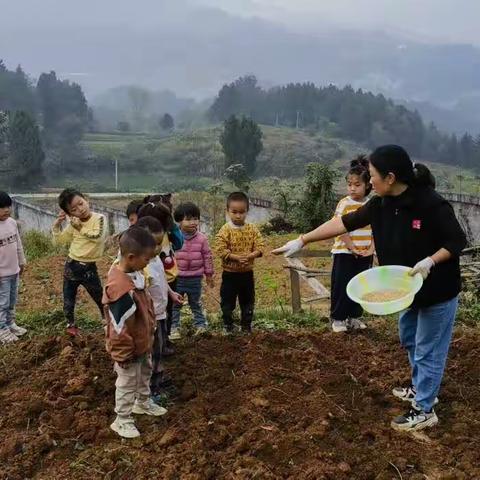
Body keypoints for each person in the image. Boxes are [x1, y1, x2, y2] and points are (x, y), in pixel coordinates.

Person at [274, 145, 466, 432]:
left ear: (390, 177)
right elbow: (343, 222)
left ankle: (425, 409)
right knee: (410, 339)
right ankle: (421, 387)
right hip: (408, 291)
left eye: (372, 175)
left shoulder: (431, 204)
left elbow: (456, 241)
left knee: (429, 350)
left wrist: (430, 260)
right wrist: (303, 240)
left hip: (437, 290)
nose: (369, 180)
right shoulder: (380, 204)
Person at [104, 226, 167, 439]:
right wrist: (122, 353)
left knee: (144, 374)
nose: (148, 263)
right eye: (146, 259)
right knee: (127, 381)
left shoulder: (134, 273)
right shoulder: (120, 289)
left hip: (142, 342)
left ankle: (143, 402)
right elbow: (119, 328)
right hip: (128, 348)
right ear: (131, 257)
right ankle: (122, 419)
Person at [136, 216, 183, 399]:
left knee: (159, 349)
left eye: (159, 243)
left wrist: (170, 293)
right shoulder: (140, 266)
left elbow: (162, 280)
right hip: (149, 319)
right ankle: (151, 389)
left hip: (161, 315)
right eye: (153, 244)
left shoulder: (155, 260)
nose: (157, 248)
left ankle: (158, 380)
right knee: (152, 353)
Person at [52, 189, 107, 337]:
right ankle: (70, 325)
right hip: (72, 265)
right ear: (70, 214)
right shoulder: (73, 225)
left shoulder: (99, 218)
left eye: (81, 203)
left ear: (86, 199)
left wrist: (80, 228)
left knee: (99, 296)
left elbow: (97, 237)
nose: (80, 210)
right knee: (68, 298)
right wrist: (57, 225)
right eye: (74, 210)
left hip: (89, 268)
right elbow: (60, 241)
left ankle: (107, 321)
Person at [330, 156, 375, 333]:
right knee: (342, 285)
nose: (352, 188)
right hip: (345, 253)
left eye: (357, 185)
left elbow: (376, 229)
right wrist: (352, 247)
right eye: (349, 184)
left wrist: (370, 249)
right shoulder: (345, 203)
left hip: (365, 253)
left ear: (367, 186)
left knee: (361, 286)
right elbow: (339, 228)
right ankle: (338, 319)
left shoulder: (371, 205)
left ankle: (355, 317)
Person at [215, 192, 264, 333]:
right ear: (228, 211)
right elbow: (220, 249)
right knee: (227, 301)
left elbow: (260, 246)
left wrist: (251, 255)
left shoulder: (252, 229)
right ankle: (228, 325)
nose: (238, 215)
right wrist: (235, 257)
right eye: (234, 212)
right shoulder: (225, 230)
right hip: (230, 274)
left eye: (242, 212)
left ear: (247, 211)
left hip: (247, 274)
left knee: (248, 301)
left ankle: (246, 326)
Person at [138, 196, 184, 343]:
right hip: (150, 284)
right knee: (153, 313)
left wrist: (173, 228)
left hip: (169, 278)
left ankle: (165, 337)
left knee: (167, 311)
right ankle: (156, 341)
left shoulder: (165, 234)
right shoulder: (141, 244)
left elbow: (179, 243)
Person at [171, 202, 214, 337]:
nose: (193, 222)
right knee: (175, 304)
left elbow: (208, 256)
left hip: (195, 278)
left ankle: (201, 325)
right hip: (178, 278)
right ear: (179, 220)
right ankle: (173, 327)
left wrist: (209, 274)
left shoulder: (202, 239)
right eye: (188, 219)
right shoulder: (173, 237)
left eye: (195, 218)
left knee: (196, 303)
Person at [0, 192, 27, 344]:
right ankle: (2, 328)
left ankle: (10, 324)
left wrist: (21, 262)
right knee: (2, 303)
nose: (6, 210)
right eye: (2, 207)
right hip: (2, 274)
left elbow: (18, 245)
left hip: (14, 271)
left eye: (8, 206)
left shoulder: (11, 223)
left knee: (12, 300)